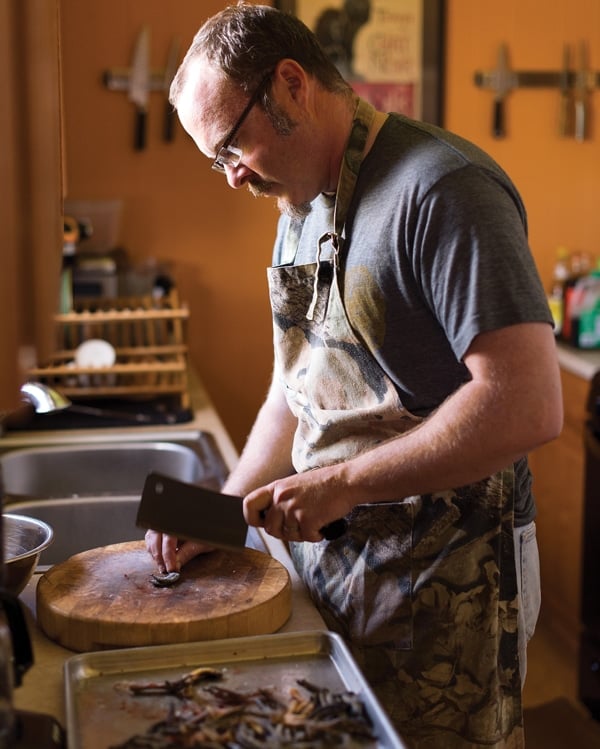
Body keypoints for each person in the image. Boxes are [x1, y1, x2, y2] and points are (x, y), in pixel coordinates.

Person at [145, 4, 563, 747]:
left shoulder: (442, 190)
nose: (232, 176)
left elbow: (525, 404)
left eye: (232, 145)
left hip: (450, 583)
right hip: (338, 568)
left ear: (292, 85)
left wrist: (345, 484)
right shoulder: (300, 198)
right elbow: (295, 384)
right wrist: (227, 507)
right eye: (217, 161)